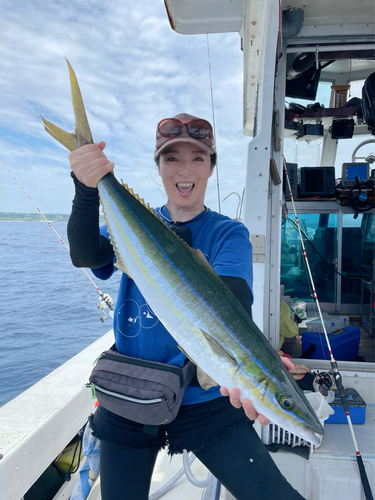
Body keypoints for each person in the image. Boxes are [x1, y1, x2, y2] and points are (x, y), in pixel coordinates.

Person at [67, 113, 305, 500]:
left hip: (206, 402)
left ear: (211, 167)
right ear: (158, 167)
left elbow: (231, 303)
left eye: (197, 158)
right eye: (172, 158)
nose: (185, 169)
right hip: (131, 394)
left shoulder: (228, 232)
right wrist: (87, 188)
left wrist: (257, 360)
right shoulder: (133, 224)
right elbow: (85, 254)